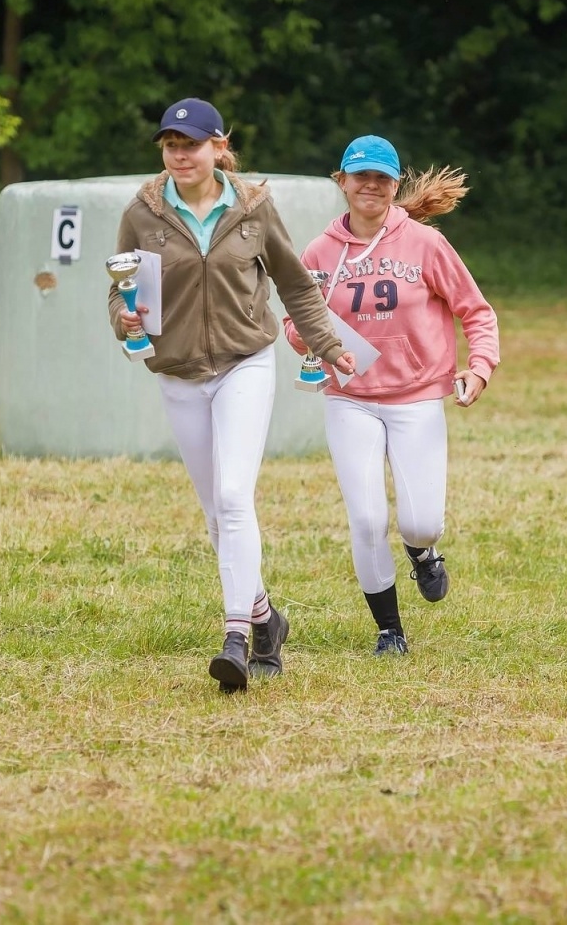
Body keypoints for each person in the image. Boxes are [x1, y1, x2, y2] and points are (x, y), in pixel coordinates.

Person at [108, 97, 357, 691]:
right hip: (178, 372)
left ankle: (237, 637)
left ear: (219, 147)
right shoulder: (141, 214)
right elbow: (120, 295)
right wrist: (126, 319)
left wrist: (325, 343)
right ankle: (269, 618)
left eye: (190, 144)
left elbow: (295, 284)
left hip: (245, 363)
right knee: (216, 512)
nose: (179, 154)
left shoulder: (252, 208)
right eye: (170, 145)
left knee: (233, 493)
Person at [285, 135, 499, 655]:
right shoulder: (318, 251)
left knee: (421, 521)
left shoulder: (425, 243)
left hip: (417, 395)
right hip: (349, 397)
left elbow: (476, 310)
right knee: (366, 519)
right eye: (360, 176)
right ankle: (390, 630)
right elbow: (295, 322)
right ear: (342, 182)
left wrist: (480, 366)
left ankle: (422, 553)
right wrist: (314, 343)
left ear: (395, 184)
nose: (371, 186)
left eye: (382, 177)